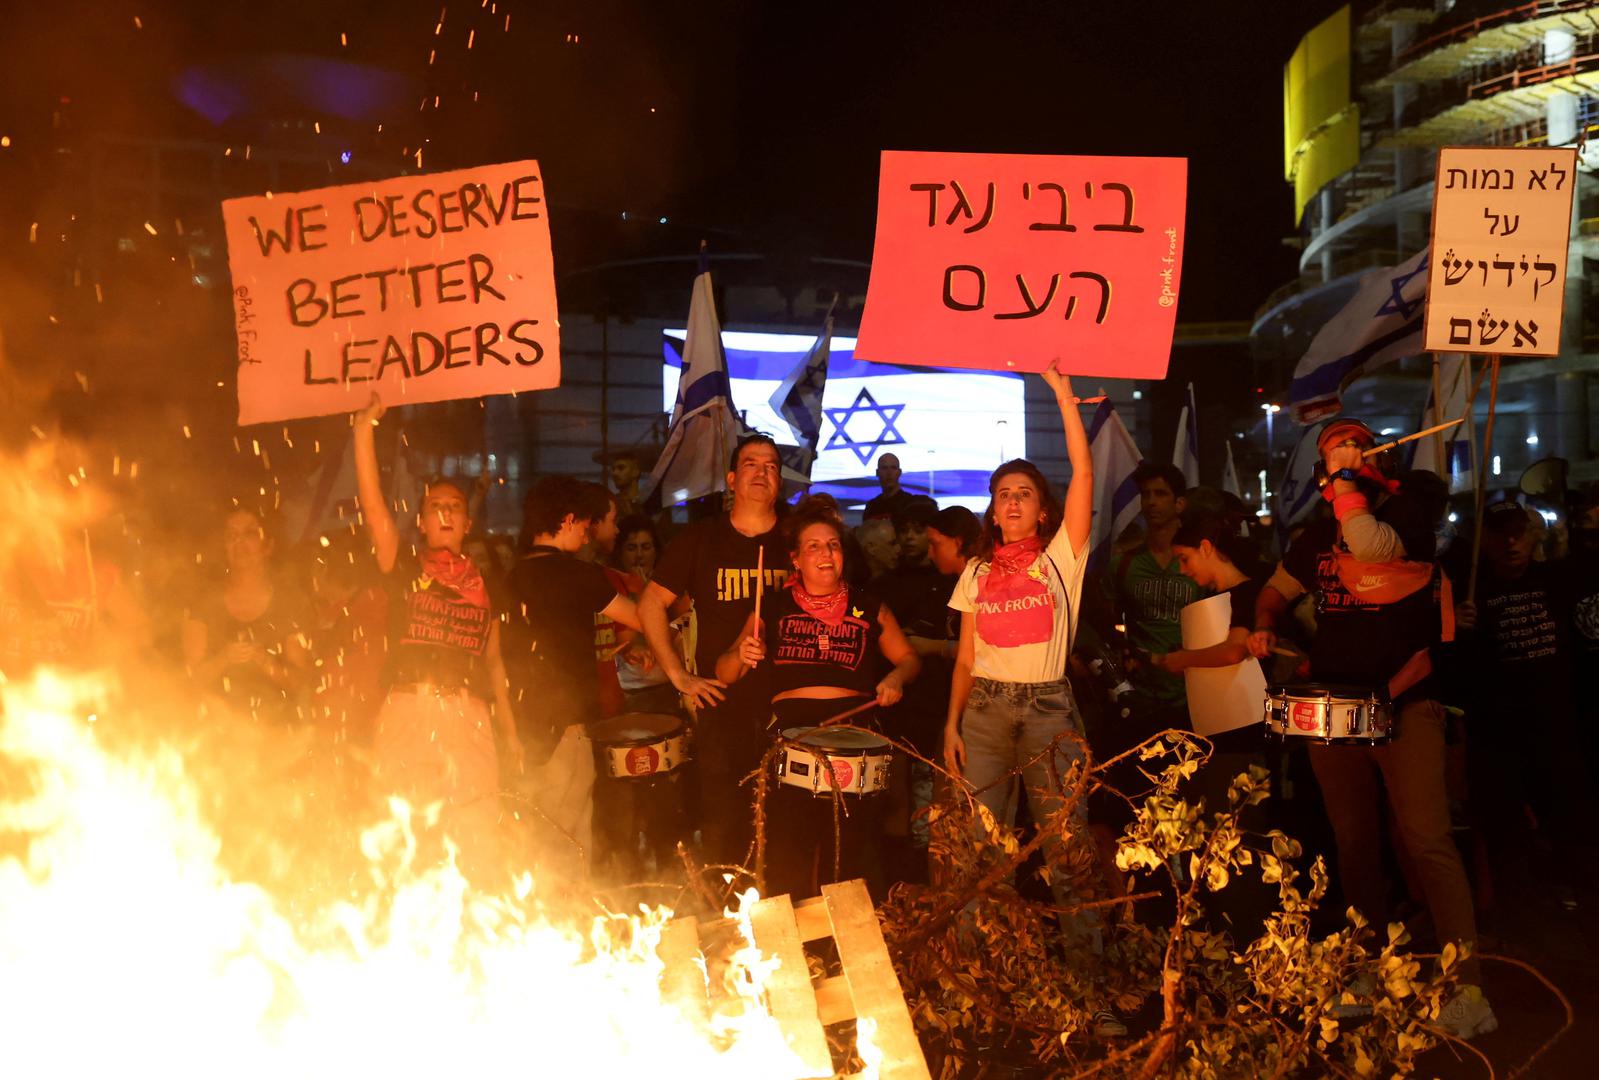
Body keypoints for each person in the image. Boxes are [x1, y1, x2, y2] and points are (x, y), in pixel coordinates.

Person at [1248, 417, 1496, 1039]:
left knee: (1426, 839)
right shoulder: (1311, 540)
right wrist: (1264, 622)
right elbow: (1275, 594)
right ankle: (1360, 973)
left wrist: (1352, 485)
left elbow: (1373, 546)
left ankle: (1465, 986)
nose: (1345, 457)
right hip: (1337, 710)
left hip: (1407, 705)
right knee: (1353, 843)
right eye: (1334, 451)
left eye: (1354, 447)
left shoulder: (1407, 516)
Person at [941, 362, 1109, 981]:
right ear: (991, 510)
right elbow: (965, 658)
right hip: (983, 713)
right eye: (1002, 493)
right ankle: (979, 988)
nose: (1011, 500)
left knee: (1068, 851)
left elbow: (1085, 471)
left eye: (1024, 493)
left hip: (1048, 714)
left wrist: (1063, 397)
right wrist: (951, 724)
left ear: (1044, 513)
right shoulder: (977, 573)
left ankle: (1091, 986)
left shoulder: (1063, 559)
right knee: (980, 852)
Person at [352, 393, 521, 882]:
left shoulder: (488, 585)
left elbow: (494, 664)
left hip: (467, 714)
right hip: (408, 707)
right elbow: (373, 504)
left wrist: (509, 733)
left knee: (476, 832)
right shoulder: (402, 564)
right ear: (422, 521)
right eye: (434, 507)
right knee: (402, 831)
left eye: (455, 507)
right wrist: (364, 431)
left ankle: (473, 931)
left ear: (468, 523)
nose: (445, 513)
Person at [716, 496, 920, 898]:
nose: (826, 553)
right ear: (796, 559)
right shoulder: (772, 607)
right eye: (814, 546)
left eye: (833, 545)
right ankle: (793, 950)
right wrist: (741, 654)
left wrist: (896, 677)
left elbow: (910, 658)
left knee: (850, 855)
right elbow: (725, 672)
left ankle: (845, 948)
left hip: (854, 739)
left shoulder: (869, 605)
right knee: (791, 852)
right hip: (793, 739)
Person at [638, 434, 790, 868]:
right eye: (751, 464)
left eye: (771, 466)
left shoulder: (799, 538)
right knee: (725, 828)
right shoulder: (701, 540)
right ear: (731, 479)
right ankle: (728, 923)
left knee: (783, 833)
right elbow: (651, 604)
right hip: (722, 705)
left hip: (788, 707)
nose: (762, 472)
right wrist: (678, 676)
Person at [1455, 500, 1596, 905]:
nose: (1511, 542)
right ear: (1484, 542)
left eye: (1520, 532)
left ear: (1537, 537)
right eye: (1500, 534)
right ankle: (1523, 915)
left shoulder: (1558, 579)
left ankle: (1582, 902)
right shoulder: (1471, 591)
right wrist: (1455, 627)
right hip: (1499, 733)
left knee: (1571, 820)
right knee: (1506, 829)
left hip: (1555, 725)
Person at [508, 477, 640, 752]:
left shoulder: (510, 576)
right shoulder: (581, 576)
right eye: (583, 524)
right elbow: (640, 618)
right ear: (568, 520)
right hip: (570, 720)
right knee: (573, 792)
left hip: (523, 717)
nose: (585, 534)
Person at [181, 506, 312, 726]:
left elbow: (299, 682)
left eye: (250, 534)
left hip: (276, 730)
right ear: (224, 546)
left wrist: (265, 660)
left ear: (268, 545)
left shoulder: (291, 603)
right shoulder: (203, 602)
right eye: (231, 536)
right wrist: (224, 658)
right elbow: (192, 679)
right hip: (215, 731)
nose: (239, 543)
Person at [1108, 463, 1206, 726]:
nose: (1151, 502)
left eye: (1161, 494)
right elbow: (1108, 622)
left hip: (1193, 692)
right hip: (1141, 693)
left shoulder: (1197, 562)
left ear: (1180, 503)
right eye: (1146, 494)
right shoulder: (1124, 564)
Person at [611, 514, 678, 714]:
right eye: (632, 548)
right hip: (629, 687)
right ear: (620, 552)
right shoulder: (610, 586)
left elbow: (679, 633)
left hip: (668, 683)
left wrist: (648, 593)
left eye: (646, 547)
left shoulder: (670, 586)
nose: (639, 555)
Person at [863, 452, 915, 521]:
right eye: (884, 468)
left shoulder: (910, 504)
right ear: (877, 472)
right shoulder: (871, 506)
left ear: (899, 472)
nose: (889, 473)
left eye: (893, 468)